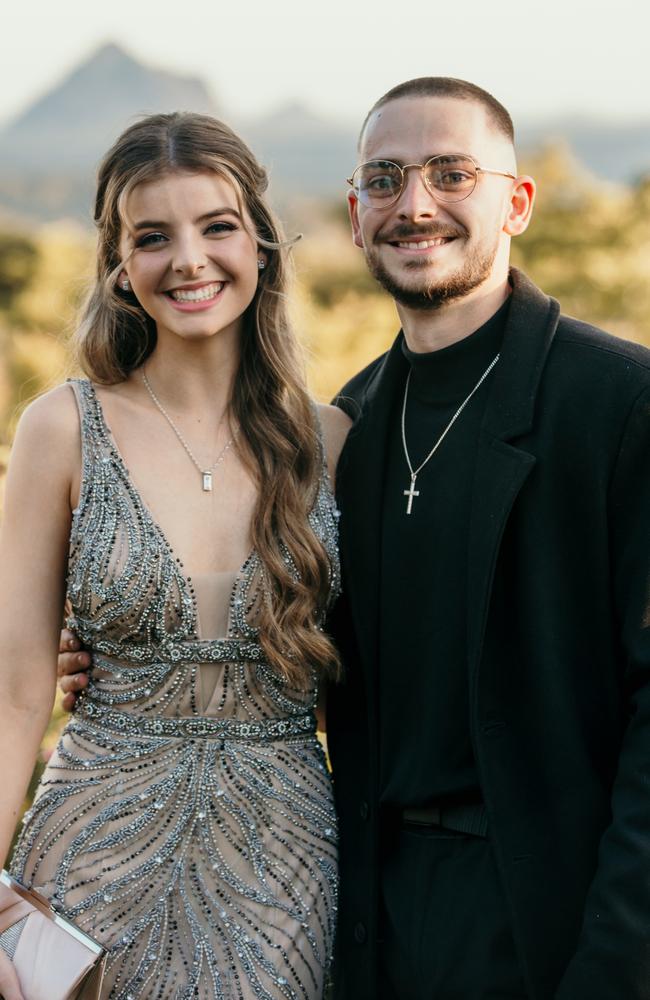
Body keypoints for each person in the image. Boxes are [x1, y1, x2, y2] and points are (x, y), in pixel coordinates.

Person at [58, 79, 650, 999]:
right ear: (356, 214)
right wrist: (126, 648)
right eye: (386, 179)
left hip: (555, 924)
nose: (417, 205)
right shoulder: (345, 434)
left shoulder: (622, 406)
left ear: (517, 202)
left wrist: (618, 966)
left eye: (453, 173)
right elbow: (309, 651)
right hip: (361, 919)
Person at [0, 111, 350, 1000]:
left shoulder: (333, 441)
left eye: (217, 226)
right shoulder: (61, 428)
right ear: (120, 265)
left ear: (263, 244)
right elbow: (13, 690)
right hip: (86, 856)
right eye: (153, 237)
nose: (189, 260)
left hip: (283, 867)